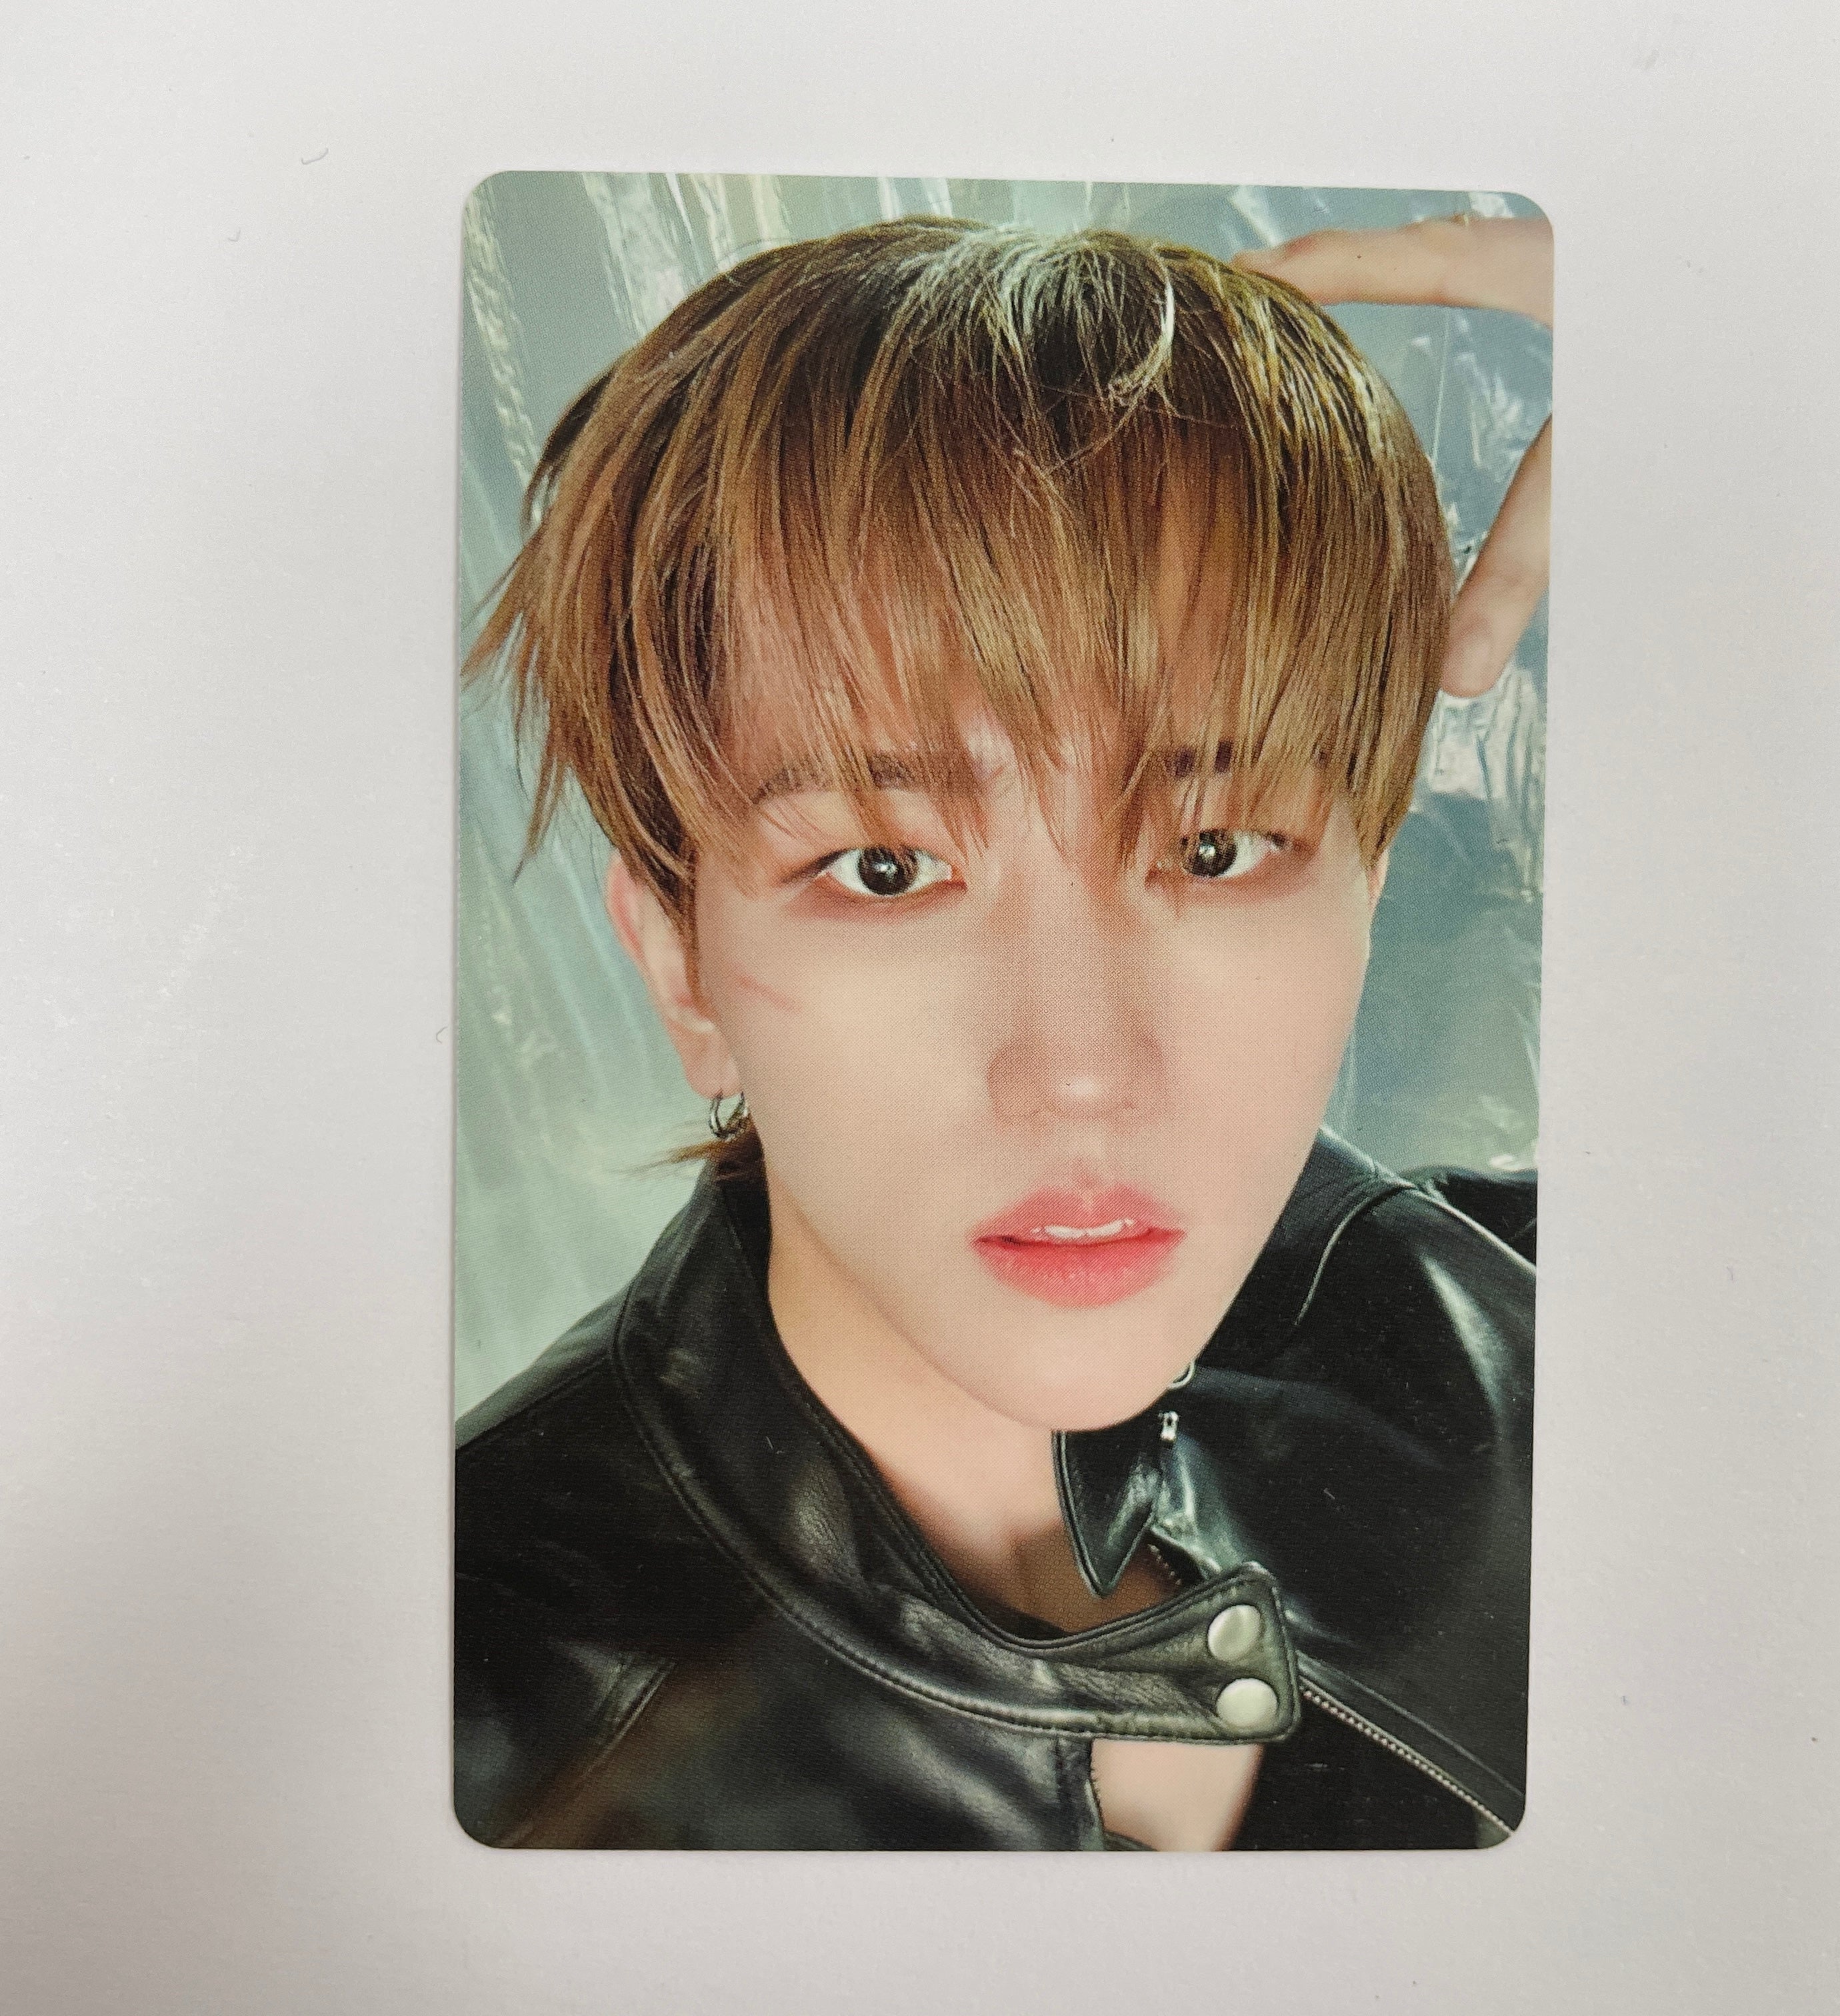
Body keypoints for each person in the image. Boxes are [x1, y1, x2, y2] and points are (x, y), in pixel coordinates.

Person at [455, 212, 1547, 1851]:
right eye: (886, 869)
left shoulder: (1561, 1342)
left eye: (1214, 849)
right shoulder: (440, 1715)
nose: (1082, 1071)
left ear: (1369, 884)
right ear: (683, 968)